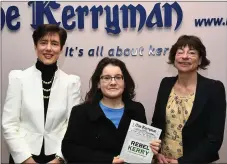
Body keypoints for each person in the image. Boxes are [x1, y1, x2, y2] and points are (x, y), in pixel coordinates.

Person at [2, 24, 81, 164]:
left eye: (55, 44)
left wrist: (59, 159)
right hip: (22, 156)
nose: (48, 48)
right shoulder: (18, 79)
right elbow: (9, 124)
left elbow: (74, 126)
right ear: (35, 46)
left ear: (61, 49)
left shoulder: (71, 83)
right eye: (43, 43)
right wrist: (26, 159)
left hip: (58, 156)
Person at [62, 57, 159, 163]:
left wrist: (151, 148)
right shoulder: (81, 112)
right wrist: (108, 160)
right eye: (107, 78)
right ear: (98, 83)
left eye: (118, 77)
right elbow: (69, 149)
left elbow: (140, 153)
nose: (113, 82)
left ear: (125, 82)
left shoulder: (137, 109)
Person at [150, 35, 226, 163]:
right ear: (174, 58)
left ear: (200, 60)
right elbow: (157, 124)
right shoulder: (166, 84)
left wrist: (182, 162)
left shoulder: (214, 88)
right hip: (163, 160)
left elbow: (214, 139)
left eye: (191, 53)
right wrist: (155, 153)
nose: (185, 56)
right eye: (180, 52)